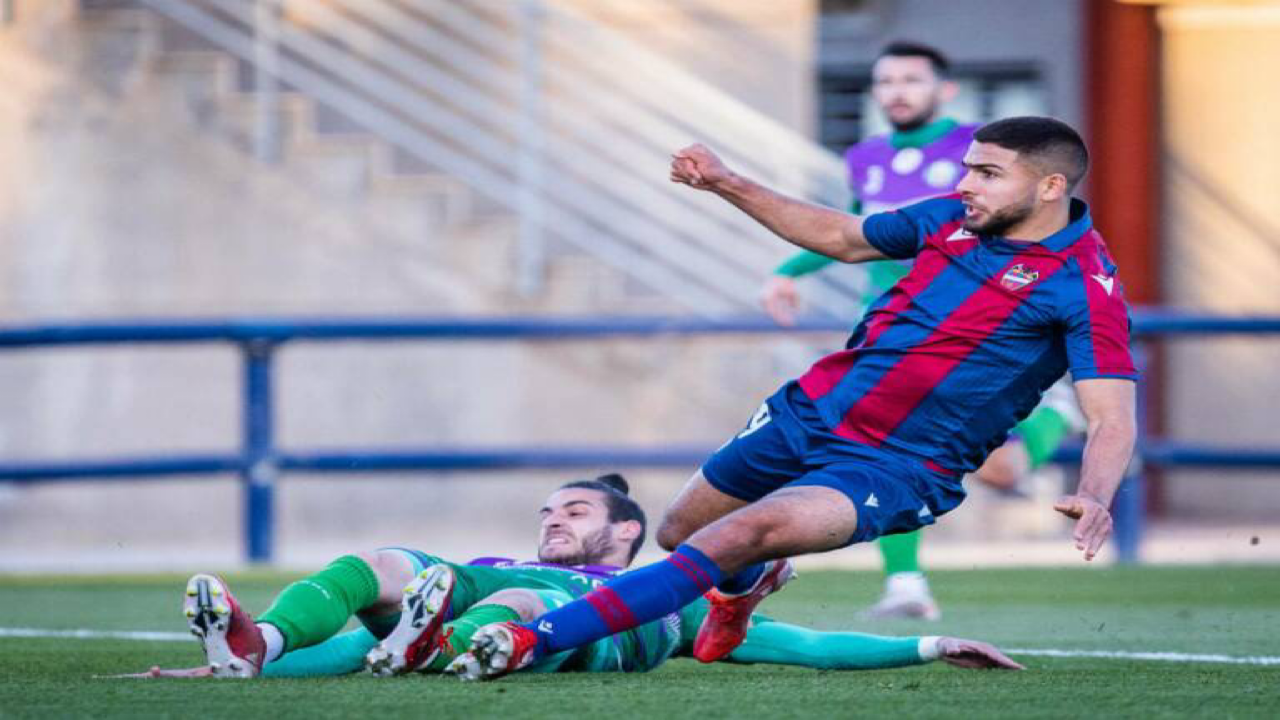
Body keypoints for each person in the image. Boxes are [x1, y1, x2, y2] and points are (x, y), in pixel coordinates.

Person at [456, 116, 1137, 681]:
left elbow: (1111, 417)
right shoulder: (950, 220)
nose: (964, 184)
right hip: (808, 412)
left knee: (737, 534)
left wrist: (1096, 493)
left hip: (899, 464)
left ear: (1050, 186)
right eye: (966, 168)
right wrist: (724, 181)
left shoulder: (1085, 286)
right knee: (677, 534)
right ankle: (740, 594)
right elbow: (840, 237)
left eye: (986, 174)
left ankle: (529, 640)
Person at [762, 40, 1083, 621]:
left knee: (1002, 470)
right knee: (879, 445)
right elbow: (858, 230)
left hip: (977, 327)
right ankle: (905, 583)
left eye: (911, 80)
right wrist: (789, 270)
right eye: (885, 82)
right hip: (891, 325)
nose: (896, 92)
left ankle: (1055, 413)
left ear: (945, 89)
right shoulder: (865, 156)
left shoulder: (982, 148)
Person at [134, 474, 1020, 679]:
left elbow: (810, 645)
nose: (555, 519)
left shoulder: (665, 586)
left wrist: (930, 643)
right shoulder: (486, 566)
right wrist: (242, 670)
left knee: (531, 600)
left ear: (627, 533)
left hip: (589, 622)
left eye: (578, 512)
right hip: (469, 611)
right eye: (549, 511)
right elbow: (341, 668)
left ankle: (435, 638)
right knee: (378, 565)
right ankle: (262, 638)